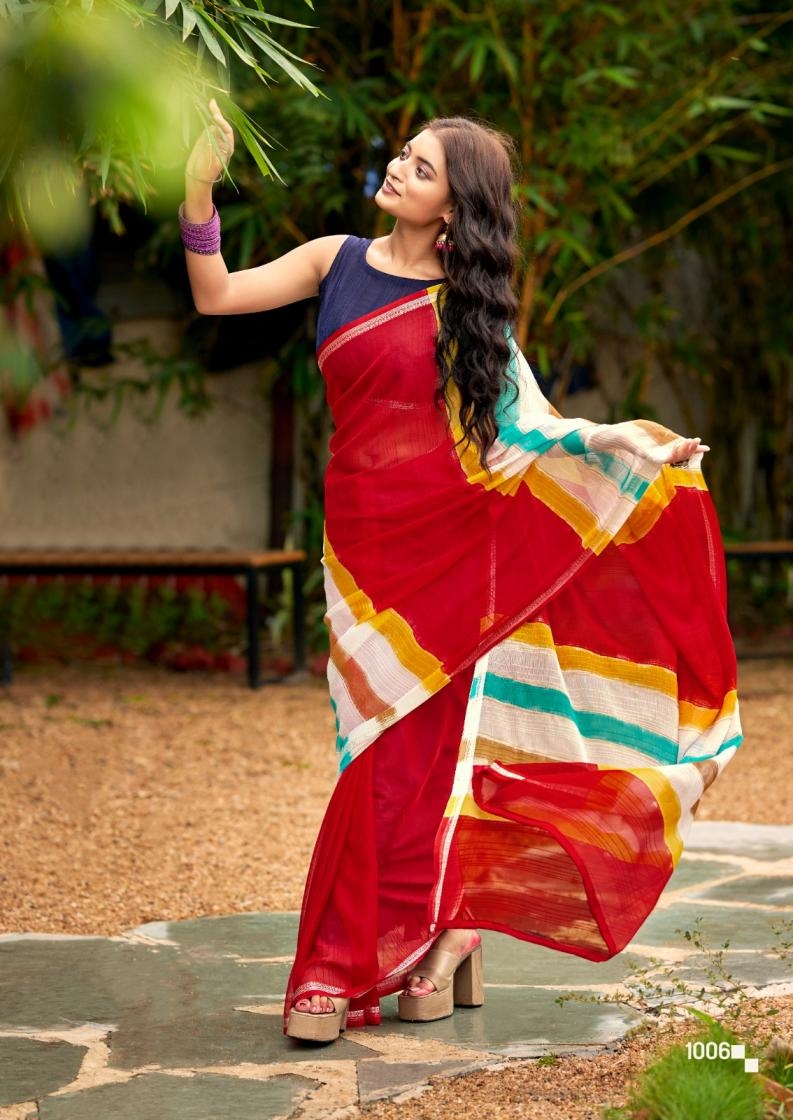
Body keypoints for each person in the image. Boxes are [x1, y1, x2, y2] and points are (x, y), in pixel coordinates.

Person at [181, 101, 741, 1043]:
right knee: (373, 746)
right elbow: (216, 295)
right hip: (362, 550)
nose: (398, 168)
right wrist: (198, 184)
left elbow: (529, 427)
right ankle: (443, 931)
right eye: (403, 154)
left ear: (452, 208)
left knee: (405, 760)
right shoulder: (335, 261)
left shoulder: (467, 312)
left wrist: (620, 440)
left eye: (422, 166)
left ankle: (342, 966)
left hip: (452, 551)